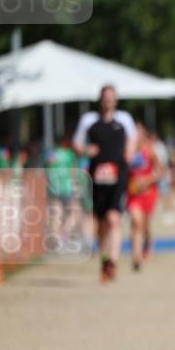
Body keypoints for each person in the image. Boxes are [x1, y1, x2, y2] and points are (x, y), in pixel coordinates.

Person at [73, 85, 137, 282]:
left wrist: (129, 153)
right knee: (101, 223)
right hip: (97, 178)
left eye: (112, 97)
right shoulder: (89, 120)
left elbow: (133, 141)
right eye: (105, 97)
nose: (108, 100)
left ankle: (113, 263)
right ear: (100, 99)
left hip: (118, 176)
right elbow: (76, 144)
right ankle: (105, 258)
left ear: (116, 100)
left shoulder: (124, 120)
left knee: (113, 219)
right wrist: (85, 150)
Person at [127, 122, 165, 271]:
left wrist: (148, 180)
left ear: (143, 134)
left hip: (149, 192)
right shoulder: (127, 150)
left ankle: (148, 243)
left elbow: (161, 170)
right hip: (133, 194)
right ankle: (136, 256)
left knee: (145, 223)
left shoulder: (149, 150)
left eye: (138, 133)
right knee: (136, 221)